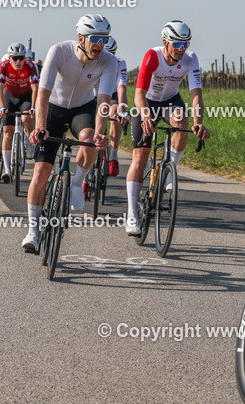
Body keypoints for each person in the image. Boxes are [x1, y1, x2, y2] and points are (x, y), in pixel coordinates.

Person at [21, 15, 119, 252]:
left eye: (104, 39)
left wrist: (101, 133)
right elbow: (42, 94)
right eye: (95, 39)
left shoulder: (109, 61)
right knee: (41, 171)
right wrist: (40, 126)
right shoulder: (60, 51)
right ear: (81, 38)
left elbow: (104, 100)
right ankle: (33, 230)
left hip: (82, 108)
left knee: (89, 139)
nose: (100, 45)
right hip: (53, 107)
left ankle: (77, 181)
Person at [124, 21, 210, 236]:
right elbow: (138, 94)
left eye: (185, 43)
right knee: (140, 156)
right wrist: (145, 117)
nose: (182, 48)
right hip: (147, 102)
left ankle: (169, 171)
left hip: (171, 101)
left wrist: (198, 122)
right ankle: (132, 214)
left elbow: (196, 94)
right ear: (165, 42)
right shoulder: (152, 56)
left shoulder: (190, 59)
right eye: (177, 44)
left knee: (182, 122)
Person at [0, 43, 38, 184]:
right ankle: (7, 170)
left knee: (26, 118)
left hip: (26, 97)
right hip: (10, 97)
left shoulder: (31, 66)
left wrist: (33, 107)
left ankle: (29, 141)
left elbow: (35, 87)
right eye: (15, 58)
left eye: (21, 58)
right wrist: (1, 107)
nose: (18, 61)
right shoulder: (4, 66)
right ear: (10, 58)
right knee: (7, 131)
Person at [102, 36, 129, 177]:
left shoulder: (120, 63)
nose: (109, 58)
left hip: (111, 95)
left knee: (115, 111)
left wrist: (122, 109)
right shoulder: (93, 61)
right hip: (93, 95)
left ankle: (113, 153)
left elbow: (122, 88)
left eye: (112, 54)